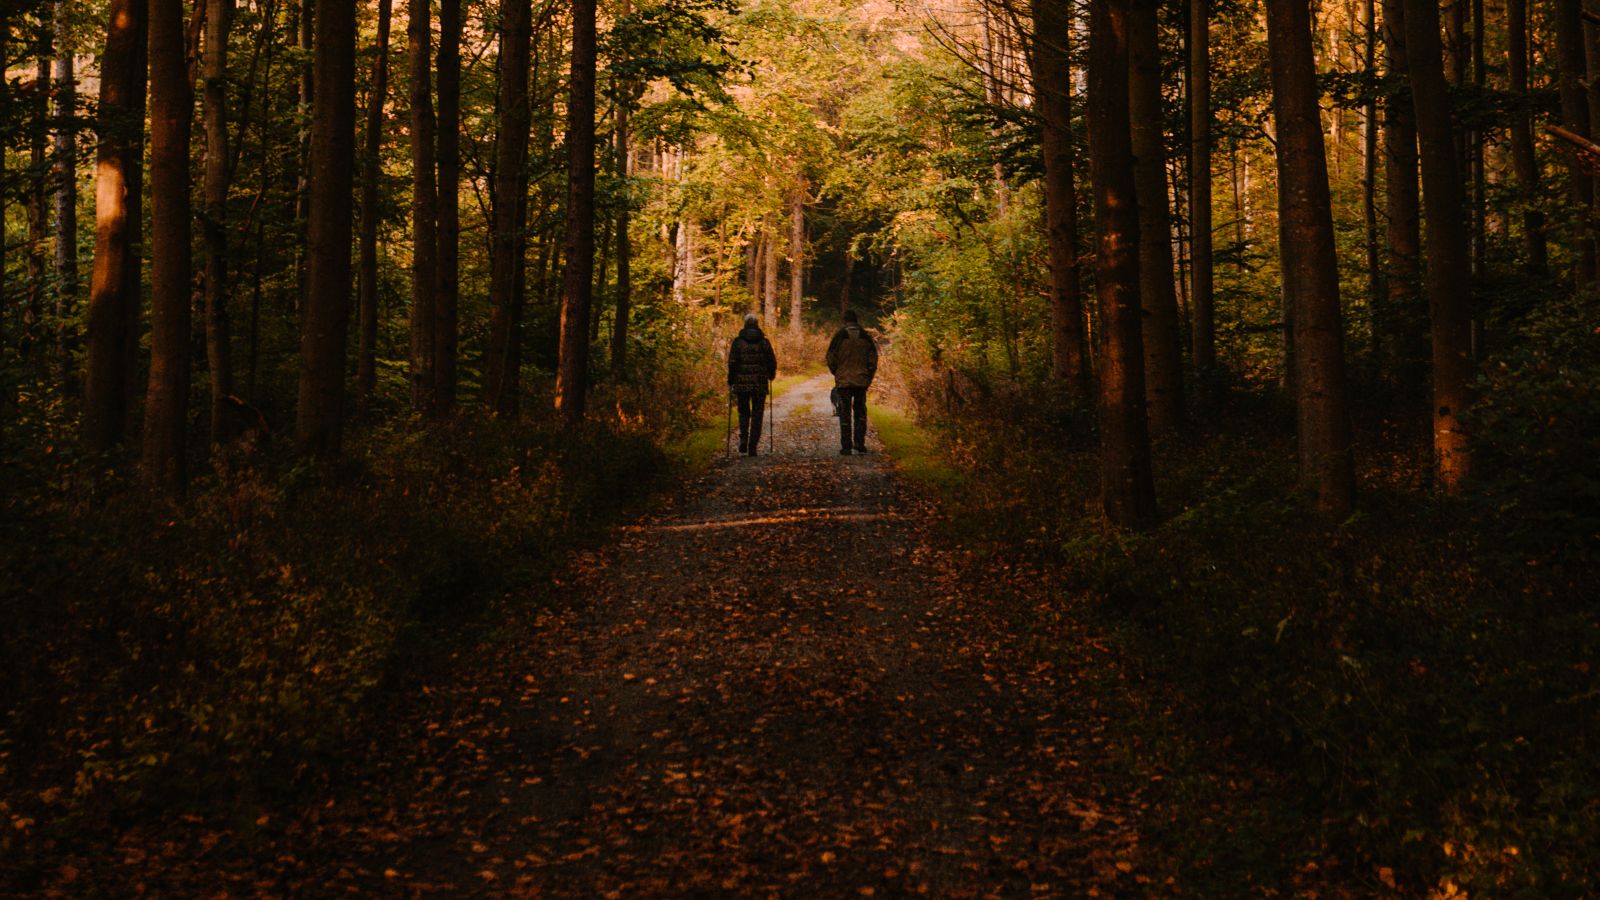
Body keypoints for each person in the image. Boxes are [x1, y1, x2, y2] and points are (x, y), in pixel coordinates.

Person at [826, 310, 878, 455]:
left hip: (844, 382)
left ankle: (846, 446)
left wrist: (836, 372)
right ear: (857, 320)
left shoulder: (839, 336)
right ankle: (860, 444)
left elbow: (830, 357)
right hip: (861, 381)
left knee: (845, 413)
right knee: (860, 412)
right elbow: (873, 359)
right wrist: (869, 377)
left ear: (845, 321)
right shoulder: (865, 337)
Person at [727, 313, 777, 455]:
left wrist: (731, 379)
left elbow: (732, 362)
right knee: (757, 414)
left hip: (741, 384)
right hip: (759, 384)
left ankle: (743, 439)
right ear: (757, 324)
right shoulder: (764, 342)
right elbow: (772, 361)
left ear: (745, 324)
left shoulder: (737, 342)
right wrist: (771, 375)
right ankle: (752, 446)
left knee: (743, 412)